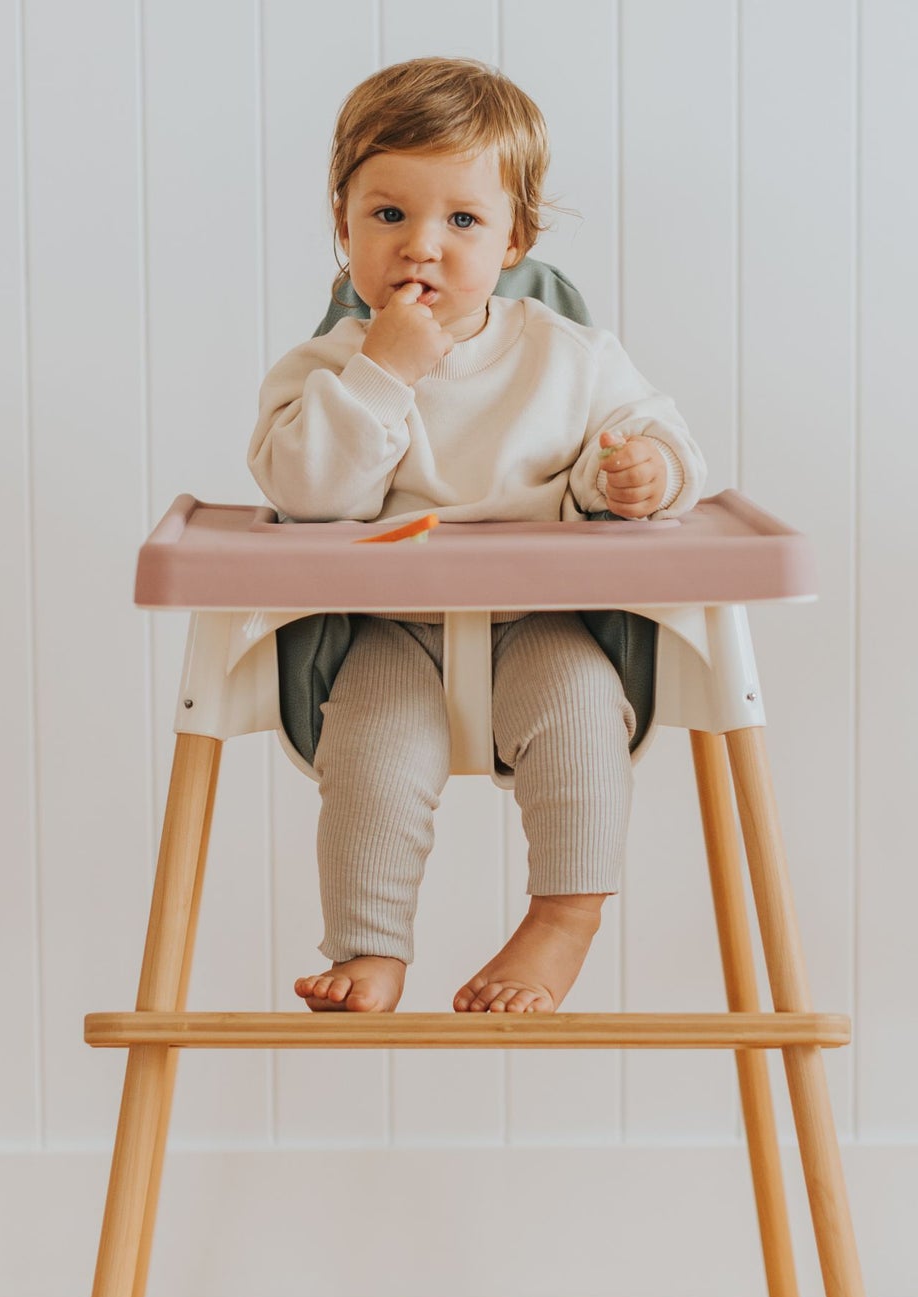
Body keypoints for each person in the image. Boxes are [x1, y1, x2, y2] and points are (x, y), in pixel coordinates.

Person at [247, 56, 707, 1015]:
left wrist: (641, 471)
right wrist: (381, 373)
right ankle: (369, 947)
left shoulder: (568, 356)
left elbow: (653, 435)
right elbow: (307, 494)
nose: (422, 245)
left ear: (514, 240)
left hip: (542, 617)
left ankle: (560, 921)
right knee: (371, 752)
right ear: (343, 226)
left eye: (461, 220)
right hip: (386, 624)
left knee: (585, 714)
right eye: (388, 215)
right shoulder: (323, 368)